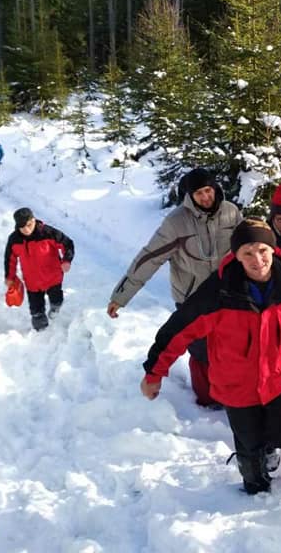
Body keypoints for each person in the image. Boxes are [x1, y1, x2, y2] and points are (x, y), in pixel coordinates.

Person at [140, 218, 281, 495]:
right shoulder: (220, 291)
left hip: (278, 379)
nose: (257, 260)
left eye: (262, 250)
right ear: (235, 256)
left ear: (273, 250)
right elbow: (178, 331)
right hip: (236, 384)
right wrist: (154, 374)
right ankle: (255, 486)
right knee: (248, 443)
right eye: (247, 253)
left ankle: (270, 449)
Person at [108, 168, 242, 407]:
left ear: (216, 189)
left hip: (226, 295)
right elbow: (150, 257)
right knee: (201, 351)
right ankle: (207, 401)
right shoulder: (177, 221)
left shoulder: (231, 213)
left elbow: (246, 248)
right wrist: (122, 295)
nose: (205, 197)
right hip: (191, 297)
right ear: (190, 196)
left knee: (228, 347)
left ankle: (229, 391)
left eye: (208, 190)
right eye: (199, 193)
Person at [4, 207, 75, 331]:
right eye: (22, 227)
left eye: (29, 225)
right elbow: (10, 258)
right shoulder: (15, 240)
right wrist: (10, 277)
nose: (26, 230)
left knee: (57, 300)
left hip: (53, 277)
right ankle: (41, 334)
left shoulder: (48, 233)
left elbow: (67, 243)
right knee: (36, 312)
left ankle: (55, 308)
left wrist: (66, 260)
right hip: (32, 282)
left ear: (33, 219)